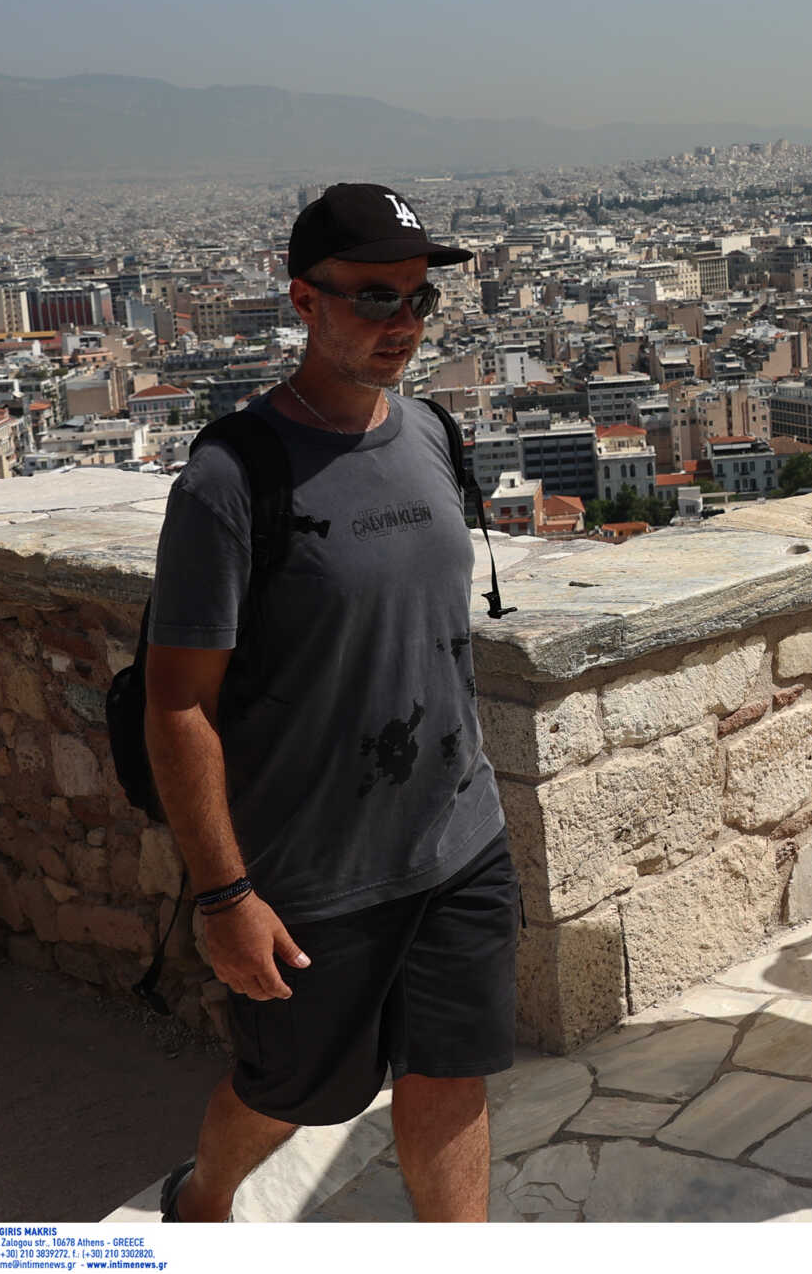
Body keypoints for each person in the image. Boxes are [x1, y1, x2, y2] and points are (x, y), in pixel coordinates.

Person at [144, 184, 505, 1223]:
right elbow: (178, 704)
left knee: (451, 1072)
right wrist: (223, 897)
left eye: (419, 301)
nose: (402, 324)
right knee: (295, 1090)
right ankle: (205, 1202)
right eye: (374, 298)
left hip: (458, 838)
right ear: (304, 299)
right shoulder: (230, 478)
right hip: (312, 874)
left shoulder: (434, 432)